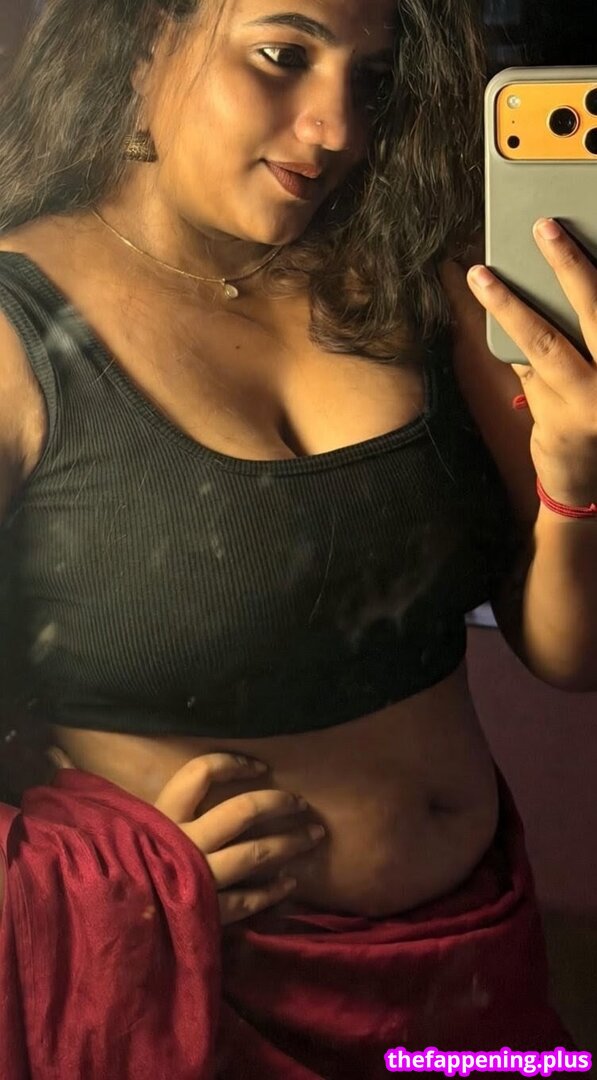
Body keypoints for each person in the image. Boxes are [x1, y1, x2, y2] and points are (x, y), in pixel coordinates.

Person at [0, 0, 595, 1076]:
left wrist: (580, 485)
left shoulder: (423, 276)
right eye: (282, 55)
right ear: (144, 39)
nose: (337, 131)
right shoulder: (15, 334)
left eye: (371, 80)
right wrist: (87, 881)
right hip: (210, 995)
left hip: (476, 969)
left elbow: (568, 653)